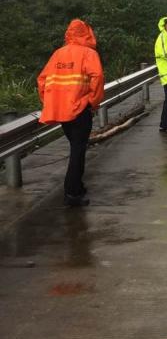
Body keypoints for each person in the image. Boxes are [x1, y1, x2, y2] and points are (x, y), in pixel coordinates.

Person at [37, 19, 105, 207]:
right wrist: (92, 101)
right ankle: (72, 192)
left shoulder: (58, 53)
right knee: (78, 150)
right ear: (86, 33)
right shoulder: (88, 53)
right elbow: (97, 77)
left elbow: (42, 80)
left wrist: (50, 102)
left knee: (76, 147)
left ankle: (77, 187)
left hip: (62, 111)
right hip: (80, 109)